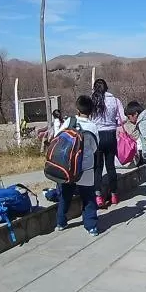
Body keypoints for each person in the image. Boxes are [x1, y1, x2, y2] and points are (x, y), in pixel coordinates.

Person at [55, 95, 100, 236]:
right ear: (91, 111)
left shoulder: (69, 121)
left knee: (65, 195)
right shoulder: (92, 126)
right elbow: (94, 147)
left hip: (68, 166)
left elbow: (57, 137)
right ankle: (91, 226)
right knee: (88, 198)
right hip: (86, 168)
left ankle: (61, 222)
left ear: (77, 109)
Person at [89, 79, 126, 209]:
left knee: (97, 168)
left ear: (94, 88)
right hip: (111, 135)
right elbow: (124, 117)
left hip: (97, 135)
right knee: (111, 166)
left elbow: (87, 118)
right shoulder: (115, 100)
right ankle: (114, 194)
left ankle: (98, 196)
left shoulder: (92, 100)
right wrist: (113, 122)